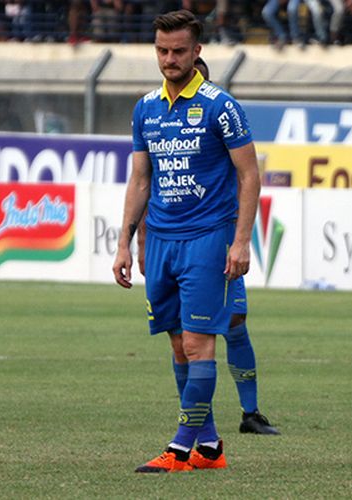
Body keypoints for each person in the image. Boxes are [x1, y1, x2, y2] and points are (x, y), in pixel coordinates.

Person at [113, 10, 262, 473]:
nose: (169, 59)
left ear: (197, 52)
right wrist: (126, 242)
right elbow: (140, 180)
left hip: (207, 240)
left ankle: (179, 449)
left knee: (199, 345)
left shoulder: (221, 106)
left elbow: (249, 175)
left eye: (179, 51)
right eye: (162, 50)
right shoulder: (146, 108)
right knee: (179, 347)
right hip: (160, 241)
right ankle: (210, 447)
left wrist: (240, 242)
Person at [135, 56, 280, 443]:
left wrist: (240, 239)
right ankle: (207, 435)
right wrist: (140, 239)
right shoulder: (154, 113)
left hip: (215, 242)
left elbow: (249, 176)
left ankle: (248, 412)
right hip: (173, 243)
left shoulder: (221, 119)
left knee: (233, 322)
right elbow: (152, 183)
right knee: (185, 338)